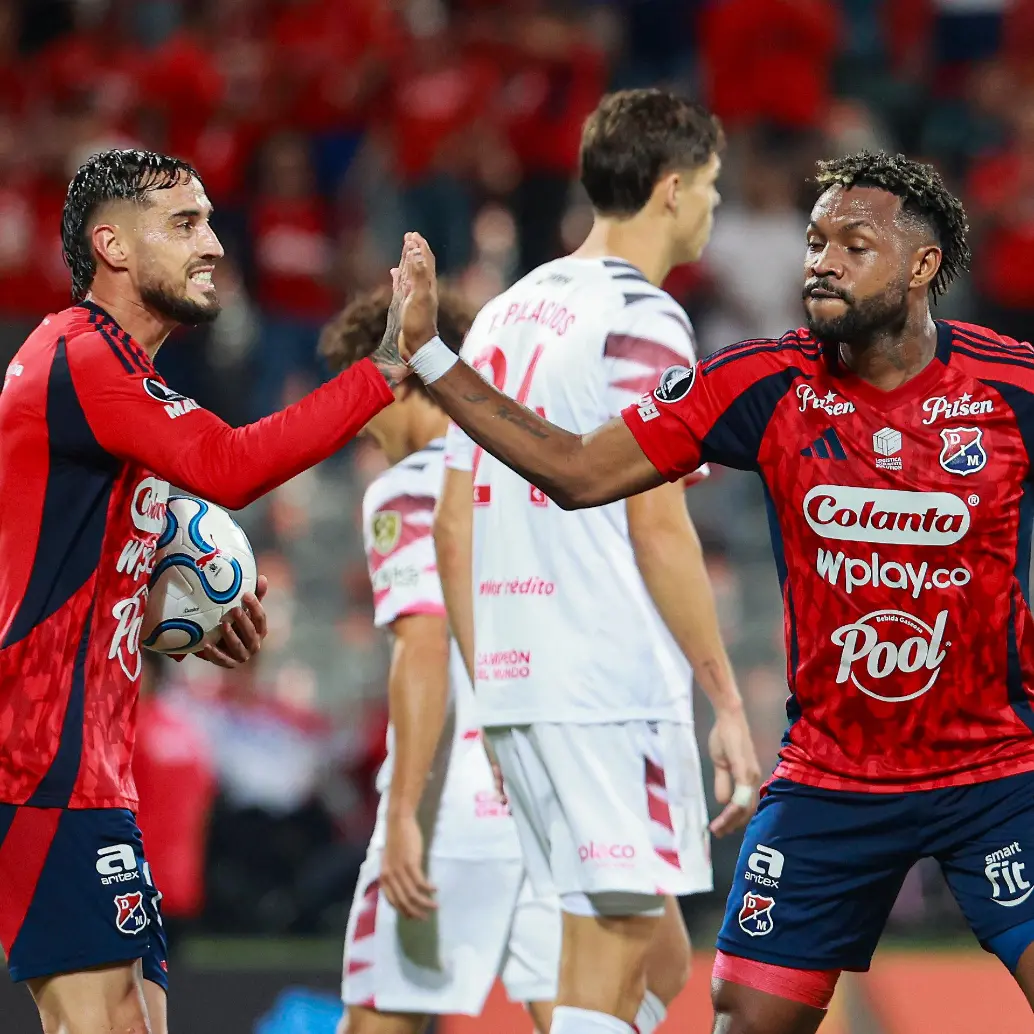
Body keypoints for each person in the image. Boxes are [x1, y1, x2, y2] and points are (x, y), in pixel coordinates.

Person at [394, 145, 1034, 1033]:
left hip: (999, 773)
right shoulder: (766, 381)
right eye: (815, 241)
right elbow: (578, 471)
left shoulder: (1011, 388)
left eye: (855, 244)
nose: (822, 260)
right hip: (831, 780)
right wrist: (429, 356)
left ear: (923, 265)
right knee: (742, 1017)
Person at [0, 149, 404, 1034]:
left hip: (94, 762)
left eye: (211, 222)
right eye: (185, 224)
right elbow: (228, 465)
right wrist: (383, 373)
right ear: (110, 244)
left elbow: (54, 562)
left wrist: (163, 610)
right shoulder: (77, 356)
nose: (214, 244)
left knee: (137, 1023)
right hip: (40, 757)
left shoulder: (118, 377)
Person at [428, 89, 762, 1034]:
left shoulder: (502, 312)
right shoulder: (642, 318)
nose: (713, 207)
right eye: (709, 187)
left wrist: (489, 686)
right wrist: (726, 699)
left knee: (655, 954)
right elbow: (659, 527)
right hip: (605, 680)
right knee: (610, 951)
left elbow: (454, 526)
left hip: (520, 679)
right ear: (668, 190)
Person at [319, 287, 560, 1034]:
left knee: (377, 1022)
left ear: (394, 376)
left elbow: (424, 645)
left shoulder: (409, 487)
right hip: (547, 796)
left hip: (452, 803)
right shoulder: (535, 479)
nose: (357, 423)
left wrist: (402, 819)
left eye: (360, 393)